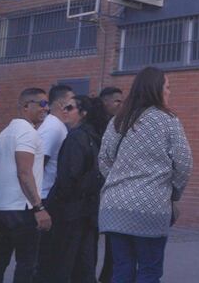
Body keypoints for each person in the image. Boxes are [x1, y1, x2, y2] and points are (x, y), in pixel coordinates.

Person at [98, 67, 193, 283]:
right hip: (151, 205)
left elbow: (103, 159)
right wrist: (174, 193)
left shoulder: (117, 120)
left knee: (122, 268)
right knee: (149, 270)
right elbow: (184, 163)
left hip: (114, 206)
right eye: (167, 88)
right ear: (156, 89)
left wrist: (118, 179)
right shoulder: (168, 121)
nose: (169, 92)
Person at [0, 87, 54, 283]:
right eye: (41, 104)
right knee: (26, 263)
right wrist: (39, 207)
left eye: (47, 104)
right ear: (26, 106)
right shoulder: (27, 133)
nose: (46, 109)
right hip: (20, 209)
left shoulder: (5, 133)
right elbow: (24, 172)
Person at [40, 95, 109, 283]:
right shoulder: (93, 135)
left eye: (70, 108)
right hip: (87, 210)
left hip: (70, 211)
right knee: (83, 262)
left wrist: (56, 204)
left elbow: (69, 177)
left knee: (63, 262)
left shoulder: (77, 137)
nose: (65, 111)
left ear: (83, 113)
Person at [97, 86, 124, 283]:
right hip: (100, 193)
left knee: (113, 246)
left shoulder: (117, 124)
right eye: (117, 101)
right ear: (104, 102)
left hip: (111, 195)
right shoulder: (100, 126)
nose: (120, 105)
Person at [40, 85, 77, 201]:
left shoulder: (57, 125)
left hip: (49, 193)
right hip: (45, 194)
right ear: (61, 105)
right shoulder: (53, 127)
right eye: (71, 103)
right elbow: (39, 162)